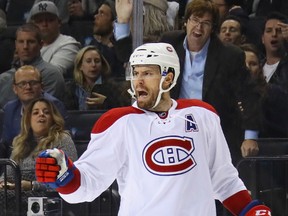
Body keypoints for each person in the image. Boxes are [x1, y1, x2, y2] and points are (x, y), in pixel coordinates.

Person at [35, 42, 271, 216]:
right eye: (135, 73)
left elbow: (223, 178)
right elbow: (88, 183)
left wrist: (248, 210)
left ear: (168, 79)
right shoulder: (118, 122)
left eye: (147, 73)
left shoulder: (202, 115)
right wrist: (65, 177)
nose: (138, 81)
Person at [114, 0, 262, 165]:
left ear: (212, 28)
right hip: (172, 129)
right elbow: (133, 57)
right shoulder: (170, 44)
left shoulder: (229, 55)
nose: (199, 27)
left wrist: (250, 137)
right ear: (186, 22)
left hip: (214, 132)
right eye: (195, 20)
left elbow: (249, 94)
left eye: (205, 23)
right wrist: (122, 22)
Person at [0, 97, 77, 215]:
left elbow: (69, 180)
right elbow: (7, 175)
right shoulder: (20, 144)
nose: (41, 114)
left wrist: (32, 185)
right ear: (28, 120)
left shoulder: (62, 139)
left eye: (46, 112)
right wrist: (2, 183)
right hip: (17, 198)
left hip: (48, 199)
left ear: (52, 118)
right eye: (36, 112)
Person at [0, 65, 68, 160]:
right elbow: (4, 144)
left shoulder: (53, 106)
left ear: (42, 86)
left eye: (33, 83)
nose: (28, 87)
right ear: (15, 89)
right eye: (22, 84)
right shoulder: (9, 109)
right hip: (15, 162)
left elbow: (59, 140)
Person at [0, 23, 65, 108]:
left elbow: (45, 112)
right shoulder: (3, 79)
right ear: (15, 45)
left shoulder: (52, 75)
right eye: (21, 42)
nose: (25, 46)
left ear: (41, 45)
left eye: (30, 42)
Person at [64, 45, 130, 110]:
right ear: (80, 66)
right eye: (88, 61)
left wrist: (106, 102)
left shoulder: (112, 88)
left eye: (97, 61)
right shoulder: (71, 89)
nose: (93, 65)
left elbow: (122, 110)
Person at [28, 1, 81, 78]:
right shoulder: (27, 44)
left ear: (59, 22)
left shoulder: (69, 44)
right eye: (39, 21)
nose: (44, 24)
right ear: (33, 25)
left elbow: (51, 74)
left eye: (49, 20)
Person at [259, 11, 288, 138]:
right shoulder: (255, 65)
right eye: (269, 31)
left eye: (279, 31)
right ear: (262, 38)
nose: (274, 34)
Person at [89, 0, 126, 79]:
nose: (96, 16)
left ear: (113, 22)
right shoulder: (92, 45)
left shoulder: (121, 51)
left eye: (102, 13)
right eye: (97, 13)